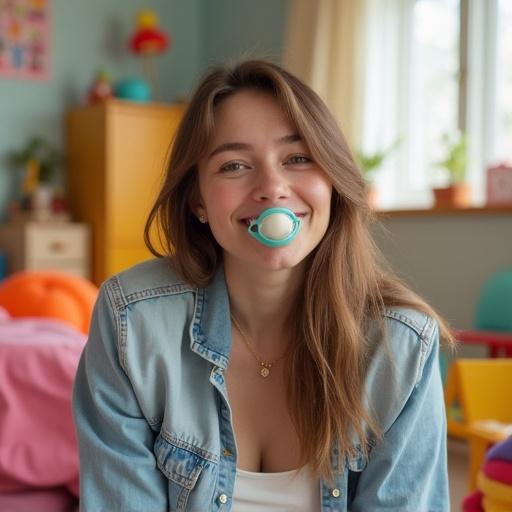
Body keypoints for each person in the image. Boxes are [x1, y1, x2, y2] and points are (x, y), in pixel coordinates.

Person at [72, 59, 455, 512]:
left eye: (297, 158)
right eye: (234, 165)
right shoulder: (131, 320)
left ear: (331, 179)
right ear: (197, 199)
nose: (272, 188)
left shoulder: (399, 345)